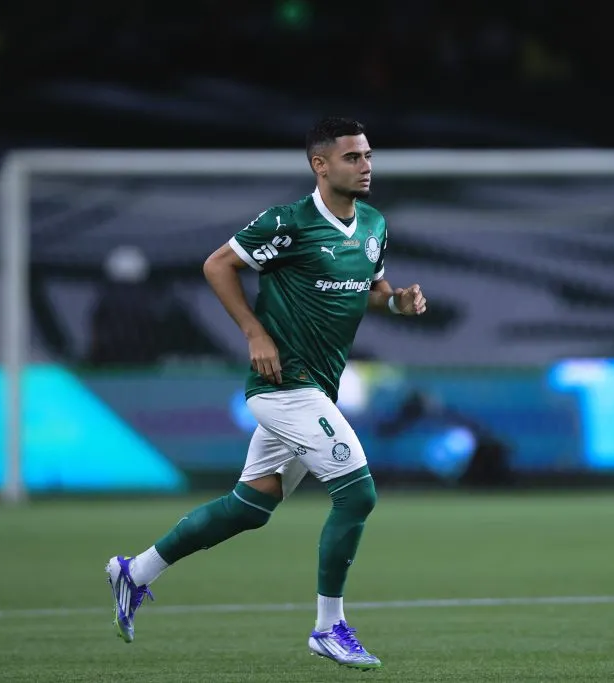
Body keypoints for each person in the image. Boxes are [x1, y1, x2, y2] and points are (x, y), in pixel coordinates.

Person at [105, 117, 427, 671]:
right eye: (352, 157)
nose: (367, 165)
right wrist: (255, 333)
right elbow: (218, 264)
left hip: (317, 386)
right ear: (319, 165)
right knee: (358, 495)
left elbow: (371, 290)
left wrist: (399, 302)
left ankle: (135, 573)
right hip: (284, 389)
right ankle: (329, 628)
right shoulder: (289, 222)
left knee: (249, 508)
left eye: (368, 155)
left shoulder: (373, 225)